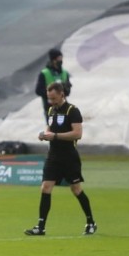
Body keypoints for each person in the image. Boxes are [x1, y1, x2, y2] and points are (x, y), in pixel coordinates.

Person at [25, 82, 96, 236]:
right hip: (53, 156)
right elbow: (50, 128)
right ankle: (41, 227)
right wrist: (44, 134)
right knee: (45, 187)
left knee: (76, 189)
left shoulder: (73, 110)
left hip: (69, 157)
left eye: (54, 98)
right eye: (49, 98)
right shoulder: (51, 110)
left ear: (62, 94)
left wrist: (55, 136)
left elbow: (77, 134)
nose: (51, 102)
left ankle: (91, 221)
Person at [35, 48, 72, 115]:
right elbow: (38, 90)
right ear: (53, 60)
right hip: (50, 108)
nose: (61, 60)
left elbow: (68, 92)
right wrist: (52, 93)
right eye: (59, 58)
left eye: (61, 58)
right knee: (53, 125)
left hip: (63, 108)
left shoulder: (65, 73)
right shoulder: (44, 73)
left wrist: (65, 88)